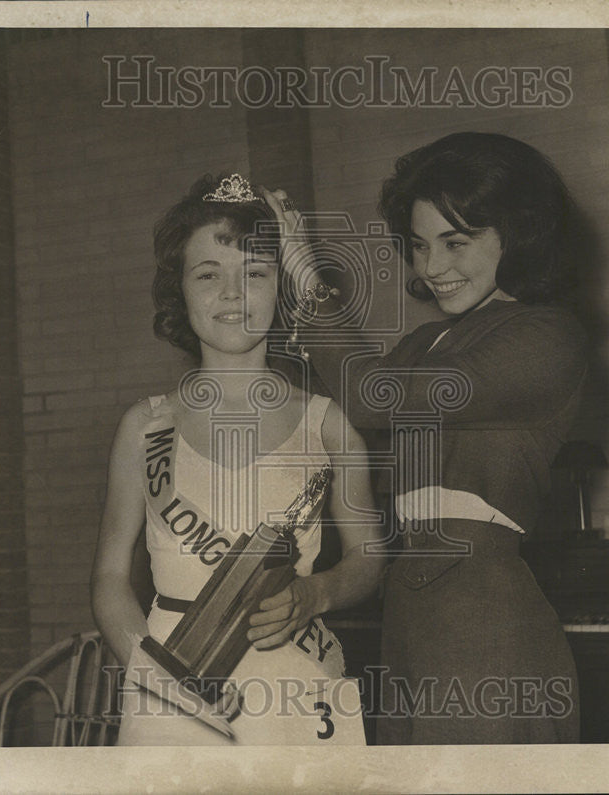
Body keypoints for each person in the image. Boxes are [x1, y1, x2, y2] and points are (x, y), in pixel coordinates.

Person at [262, 132, 587, 744]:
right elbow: (333, 425)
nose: (432, 267)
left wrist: (306, 276)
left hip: (487, 625)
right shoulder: (422, 347)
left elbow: (368, 395)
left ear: (516, 234)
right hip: (408, 618)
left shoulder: (546, 337)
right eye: (418, 246)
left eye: (455, 242)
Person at [91, 173, 384, 745]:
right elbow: (108, 578)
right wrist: (155, 673)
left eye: (254, 273)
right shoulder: (147, 425)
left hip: (294, 679)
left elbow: (368, 560)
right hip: (172, 680)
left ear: (282, 288)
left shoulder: (327, 423)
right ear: (179, 290)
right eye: (208, 274)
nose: (232, 293)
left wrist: (315, 593)